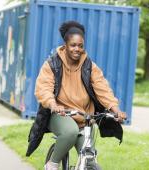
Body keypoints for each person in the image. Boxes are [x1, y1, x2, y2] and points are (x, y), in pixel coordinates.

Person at [33, 21, 127, 170]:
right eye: (73, 45)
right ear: (65, 45)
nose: (77, 49)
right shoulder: (52, 64)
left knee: (89, 160)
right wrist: (53, 105)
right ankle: (52, 164)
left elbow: (103, 89)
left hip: (84, 118)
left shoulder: (90, 66)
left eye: (80, 45)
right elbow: (43, 89)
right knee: (70, 131)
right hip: (60, 115)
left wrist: (115, 110)